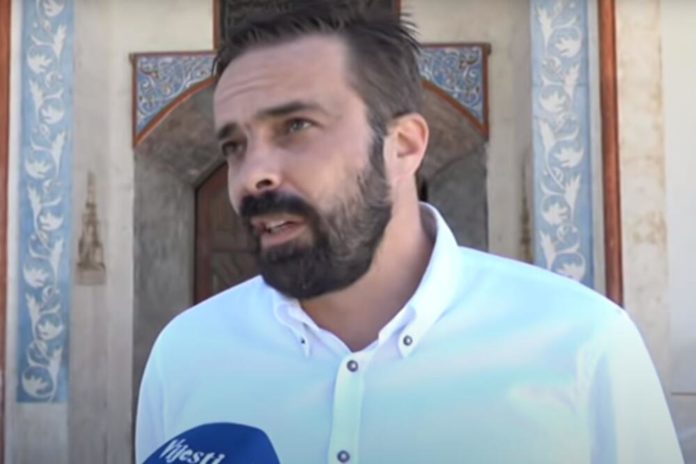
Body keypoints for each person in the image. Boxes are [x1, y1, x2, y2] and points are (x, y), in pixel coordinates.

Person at [135, 3, 683, 463]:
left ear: (402, 146)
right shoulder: (186, 354)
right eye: (234, 145)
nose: (252, 175)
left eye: (296, 126)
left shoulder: (584, 344)